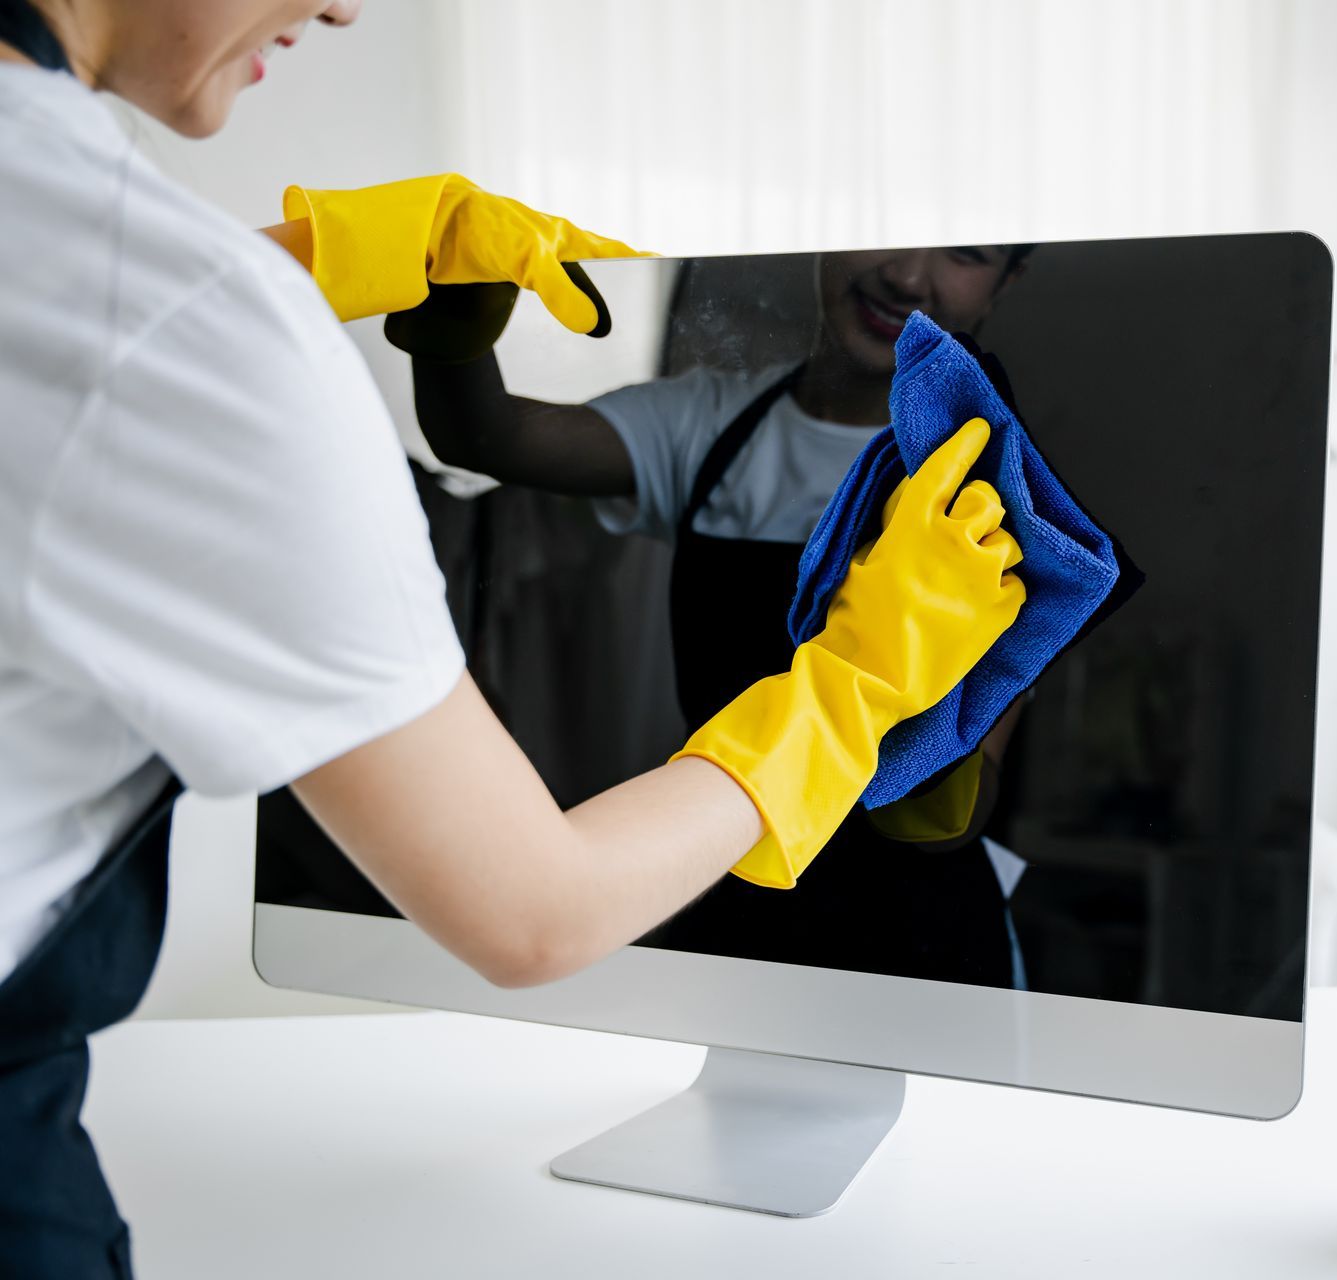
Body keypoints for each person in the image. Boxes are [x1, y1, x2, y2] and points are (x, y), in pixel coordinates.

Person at [0, 1, 1023, 1273]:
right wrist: (856, 682)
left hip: (903, 926)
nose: (344, 5)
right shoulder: (186, 320)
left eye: (968, 249)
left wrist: (297, 265)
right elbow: (536, 914)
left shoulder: (999, 477)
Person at [400, 245, 1034, 986]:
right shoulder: (712, 426)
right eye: (891, 232)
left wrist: (928, 698)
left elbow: (951, 824)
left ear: (1006, 283)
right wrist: (450, 315)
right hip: (726, 892)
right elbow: (487, 438)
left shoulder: (999, 491)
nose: (906, 276)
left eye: (965, 255)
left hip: (919, 956)